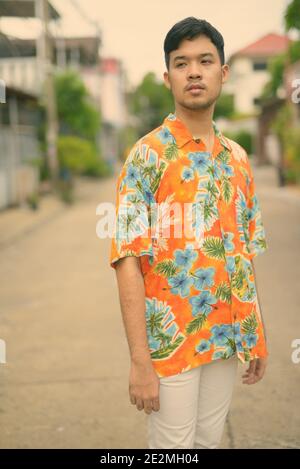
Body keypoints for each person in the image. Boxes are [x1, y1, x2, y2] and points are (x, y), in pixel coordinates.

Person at [109, 17, 269, 449]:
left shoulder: (237, 158)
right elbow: (127, 259)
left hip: (226, 336)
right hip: (171, 343)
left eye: (205, 60)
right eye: (182, 63)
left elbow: (244, 251)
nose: (194, 71)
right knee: (172, 450)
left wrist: (257, 333)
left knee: (208, 443)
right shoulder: (147, 155)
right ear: (168, 77)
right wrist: (140, 360)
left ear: (223, 72)